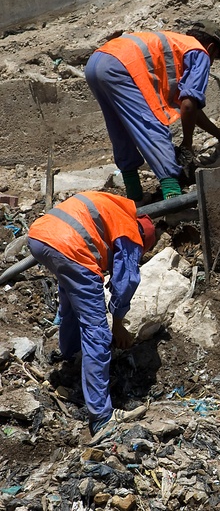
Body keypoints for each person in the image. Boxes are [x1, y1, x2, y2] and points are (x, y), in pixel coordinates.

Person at [27, 191, 157, 445]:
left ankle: (72, 357)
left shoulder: (115, 207)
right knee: (97, 331)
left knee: (71, 300)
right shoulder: (131, 233)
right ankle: (101, 416)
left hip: (40, 237)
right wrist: (118, 325)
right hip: (69, 246)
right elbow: (126, 280)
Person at [84, 20, 220, 202]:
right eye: (215, 57)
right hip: (121, 65)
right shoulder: (200, 52)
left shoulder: (177, 45)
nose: (211, 62)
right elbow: (189, 105)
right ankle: (172, 196)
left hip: (96, 62)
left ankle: (135, 196)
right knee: (150, 124)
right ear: (212, 47)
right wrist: (187, 144)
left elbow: (191, 109)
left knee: (120, 127)